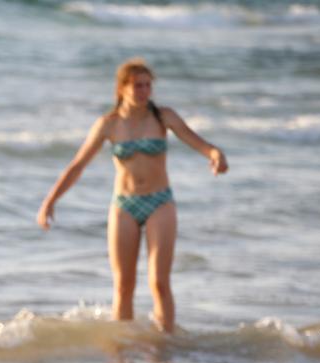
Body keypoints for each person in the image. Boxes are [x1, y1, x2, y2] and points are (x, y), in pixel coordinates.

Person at [36, 58, 228, 333]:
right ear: (122, 88)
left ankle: (165, 347)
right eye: (138, 85)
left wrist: (216, 155)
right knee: (124, 285)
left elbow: (198, 142)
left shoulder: (163, 117)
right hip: (123, 205)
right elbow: (77, 165)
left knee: (159, 282)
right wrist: (49, 202)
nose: (144, 91)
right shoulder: (109, 124)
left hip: (159, 202)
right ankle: (122, 354)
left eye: (148, 85)